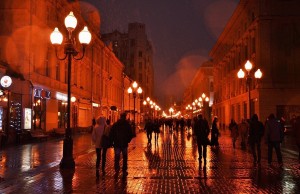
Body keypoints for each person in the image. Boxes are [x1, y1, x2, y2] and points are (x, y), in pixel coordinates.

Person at [109, 113, 134, 178]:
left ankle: (117, 169)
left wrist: (112, 142)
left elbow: (111, 134)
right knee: (124, 157)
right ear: (125, 117)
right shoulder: (127, 125)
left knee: (117, 157)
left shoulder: (116, 124)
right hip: (124, 144)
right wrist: (127, 140)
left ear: (120, 117)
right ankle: (124, 170)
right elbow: (131, 134)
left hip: (117, 144)